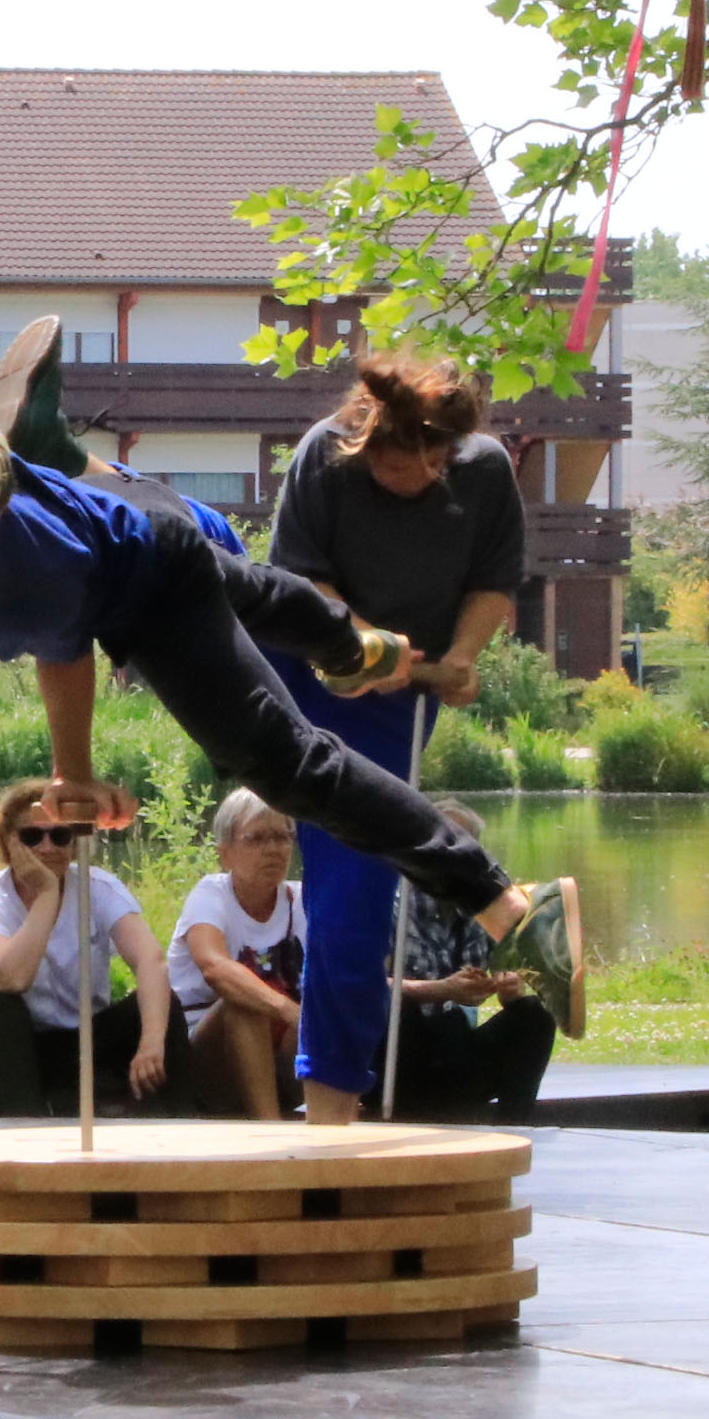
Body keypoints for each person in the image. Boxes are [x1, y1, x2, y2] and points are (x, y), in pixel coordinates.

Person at [0, 235, 588, 1031]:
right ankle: (57, 455)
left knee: (284, 749)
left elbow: (66, 649)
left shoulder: (41, 567)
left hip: (146, 575)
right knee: (227, 599)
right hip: (100, 515)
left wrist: (71, 772)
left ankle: (513, 904)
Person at [258, 358, 525, 1126]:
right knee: (351, 892)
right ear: (369, 442)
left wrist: (464, 655)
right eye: (403, 463)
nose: (422, 476)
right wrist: (367, 645)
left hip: (397, 702)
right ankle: (330, 1113)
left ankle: (331, 1112)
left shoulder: (483, 472)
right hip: (306, 666)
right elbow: (301, 584)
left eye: (437, 462)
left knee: (359, 900)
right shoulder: (325, 454)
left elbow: (493, 581)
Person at [0, 779, 172, 1116]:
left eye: (60, 836)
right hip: (10, 1055)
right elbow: (9, 977)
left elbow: (151, 961)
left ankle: (178, 1118)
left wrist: (151, 1042)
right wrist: (45, 894)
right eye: (32, 836)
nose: (47, 847)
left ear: (75, 842)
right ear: (7, 841)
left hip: (83, 1046)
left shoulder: (98, 887)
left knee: (159, 1003)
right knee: (2, 1006)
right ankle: (29, 1126)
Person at [384, 800, 560, 1124]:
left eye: (463, 849)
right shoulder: (390, 900)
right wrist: (440, 990)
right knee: (404, 1012)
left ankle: (514, 1129)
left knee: (535, 1015)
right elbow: (366, 986)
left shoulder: (486, 905)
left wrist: (508, 989)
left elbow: (503, 974)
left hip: (455, 1054)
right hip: (396, 1064)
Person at [162, 791, 306, 1119]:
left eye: (281, 836)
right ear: (225, 854)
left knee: (327, 1005)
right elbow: (215, 967)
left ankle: (320, 1118)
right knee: (242, 1001)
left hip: (283, 1044)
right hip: (205, 1049)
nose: (272, 849)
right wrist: (288, 1010)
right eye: (256, 838)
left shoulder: (302, 899)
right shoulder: (211, 895)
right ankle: (270, 1132)